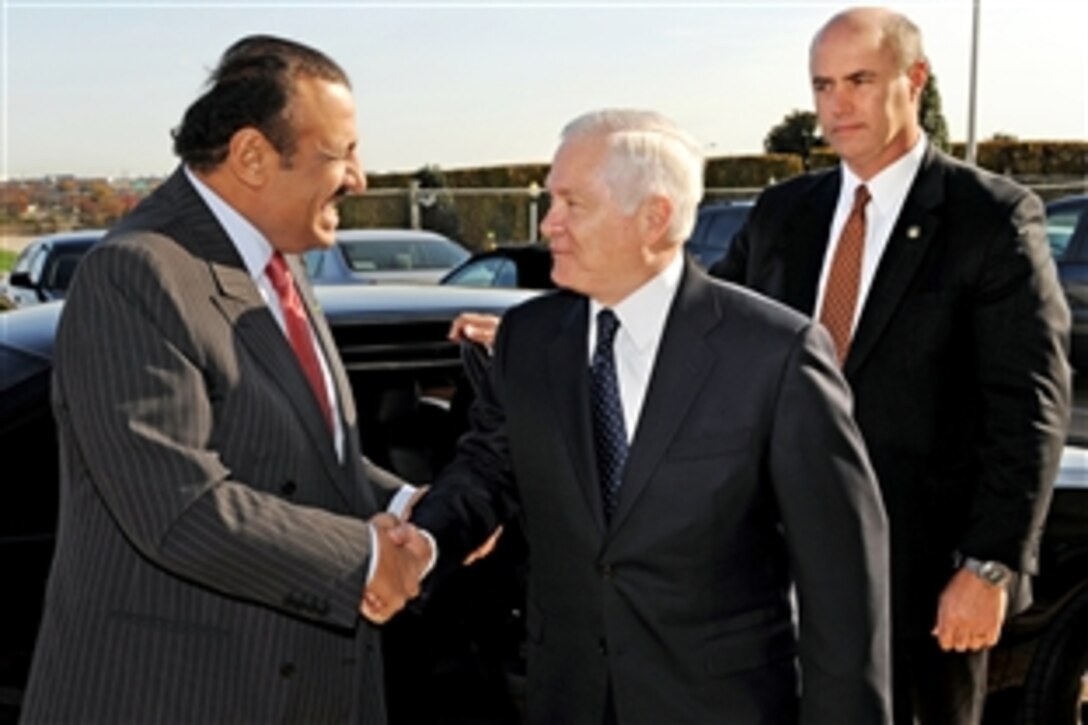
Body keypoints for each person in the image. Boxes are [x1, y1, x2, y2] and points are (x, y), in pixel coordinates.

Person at [408, 109, 892, 723]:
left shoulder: (774, 354)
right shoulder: (527, 340)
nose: (548, 224)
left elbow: (843, 585)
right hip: (567, 699)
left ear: (655, 217)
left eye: (571, 203)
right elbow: (487, 469)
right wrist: (423, 540)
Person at [21, 35, 433, 723]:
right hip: (185, 694)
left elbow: (299, 457)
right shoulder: (137, 272)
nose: (360, 176)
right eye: (343, 152)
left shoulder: (280, 262)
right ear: (251, 156)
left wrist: (412, 507)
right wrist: (368, 556)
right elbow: (178, 506)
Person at [708, 8, 1071, 724]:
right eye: (822, 85)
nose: (836, 104)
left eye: (859, 80)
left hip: (921, 584)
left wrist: (989, 565)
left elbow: (1028, 409)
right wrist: (563, 325)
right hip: (774, 569)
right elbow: (707, 327)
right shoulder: (782, 214)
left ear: (915, 79)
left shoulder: (990, 218)